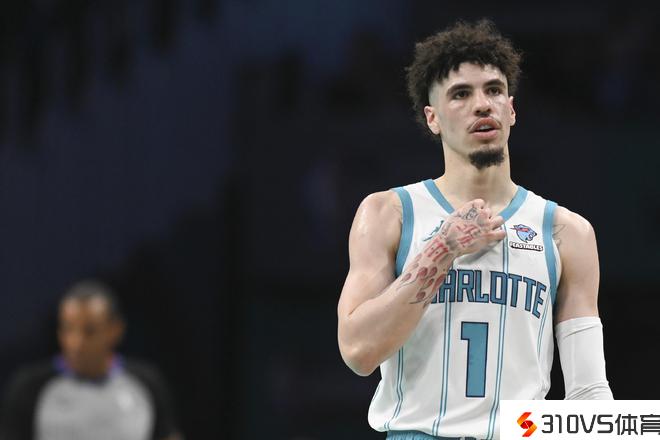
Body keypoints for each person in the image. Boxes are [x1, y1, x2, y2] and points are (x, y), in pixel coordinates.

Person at [337, 19, 613, 440]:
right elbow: (359, 351)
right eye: (461, 94)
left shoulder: (566, 232)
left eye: (494, 90)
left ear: (512, 109)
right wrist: (442, 249)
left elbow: (588, 392)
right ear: (432, 118)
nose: (482, 105)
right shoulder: (388, 213)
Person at [0, 280, 182, 440]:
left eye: (89, 331)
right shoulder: (29, 388)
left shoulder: (147, 384)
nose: (76, 343)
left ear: (115, 330)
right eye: (68, 329)